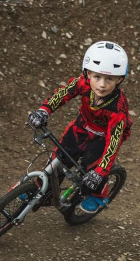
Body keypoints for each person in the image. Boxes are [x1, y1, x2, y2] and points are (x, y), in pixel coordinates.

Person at [27, 41, 133, 213]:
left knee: (93, 168)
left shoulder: (118, 109)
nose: (102, 85)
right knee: (58, 159)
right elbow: (63, 93)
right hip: (81, 127)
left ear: (119, 79)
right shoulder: (82, 83)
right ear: (87, 73)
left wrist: (100, 172)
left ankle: (98, 195)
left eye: (110, 79)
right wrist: (44, 110)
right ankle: (39, 187)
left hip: (103, 138)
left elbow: (113, 144)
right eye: (97, 77)